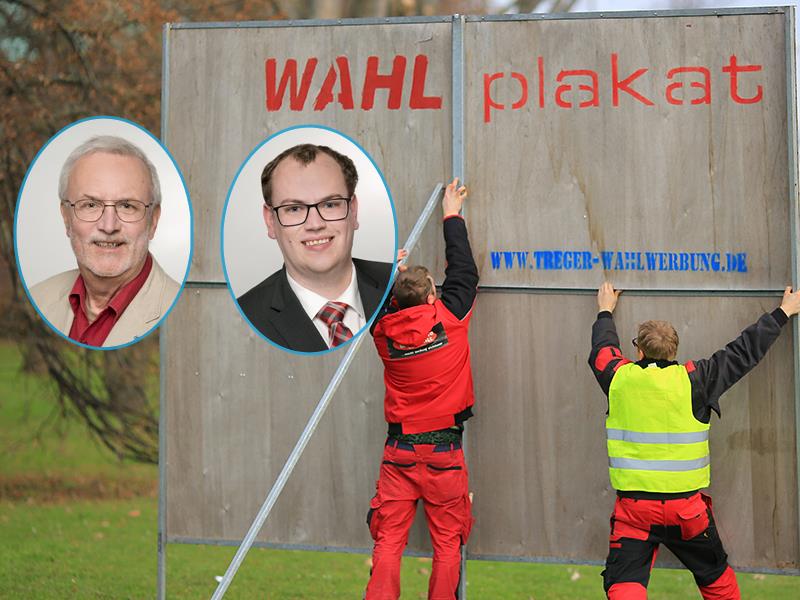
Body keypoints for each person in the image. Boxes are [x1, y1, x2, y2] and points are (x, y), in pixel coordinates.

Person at [588, 281, 800, 600]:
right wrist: (784, 311)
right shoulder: (697, 380)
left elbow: (603, 352)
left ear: (639, 351)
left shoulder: (619, 378)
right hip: (686, 511)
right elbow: (743, 351)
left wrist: (605, 311)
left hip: (634, 510)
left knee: (624, 584)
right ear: (673, 351)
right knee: (716, 579)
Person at [365, 178, 478, 600]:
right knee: (447, 545)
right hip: (445, 453)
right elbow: (463, 270)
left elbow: (377, 302)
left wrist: (388, 275)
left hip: (399, 453)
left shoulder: (381, 332)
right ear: (433, 295)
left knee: (388, 543)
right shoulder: (449, 317)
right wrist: (452, 214)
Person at [236, 143, 392, 352]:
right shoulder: (246, 316)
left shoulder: (397, 285)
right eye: (294, 209)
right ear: (270, 222)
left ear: (353, 211)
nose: (315, 224)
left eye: (330, 204)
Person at [30, 135, 179, 348]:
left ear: (153, 221)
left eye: (127, 206)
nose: (109, 226)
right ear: (66, 218)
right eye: (90, 205)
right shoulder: (39, 299)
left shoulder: (183, 313)